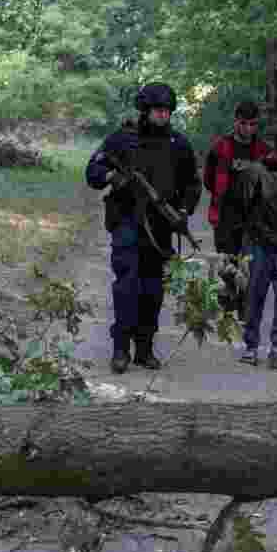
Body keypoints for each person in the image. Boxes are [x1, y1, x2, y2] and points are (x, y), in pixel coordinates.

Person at [85, 83, 202, 374]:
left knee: (152, 290)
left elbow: (192, 184)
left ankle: (145, 349)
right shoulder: (122, 140)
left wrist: (184, 212)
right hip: (127, 222)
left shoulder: (179, 144)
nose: (163, 116)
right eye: (158, 111)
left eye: (167, 112)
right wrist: (113, 176)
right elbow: (93, 172)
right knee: (127, 286)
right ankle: (121, 349)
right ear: (145, 110)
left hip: (160, 228)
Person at [215, 122, 277, 371]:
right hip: (256, 241)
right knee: (253, 293)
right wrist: (230, 246)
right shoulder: (253, 173)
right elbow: (236, 209)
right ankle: (251, 346)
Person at [202, 100, 271, 232]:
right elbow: (208, 180)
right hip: (226, 215)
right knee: (230, 252)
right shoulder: (219, 148)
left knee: (253, 251)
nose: (248, 128)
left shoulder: (265, 150)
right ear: (235, 121)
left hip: (256, 216)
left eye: (252, 124)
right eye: (243, 123)